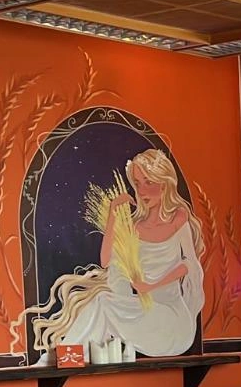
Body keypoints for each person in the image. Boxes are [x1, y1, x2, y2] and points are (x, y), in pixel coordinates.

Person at [17, 149, 205, 358]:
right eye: (137, 183)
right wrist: (113, 216)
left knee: (103, 302)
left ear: (164, 183)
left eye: (149, 182)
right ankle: (70, 358)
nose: (142, 191)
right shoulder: (135, 226)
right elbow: (106, 261)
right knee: (102, 301)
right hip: (147, 315)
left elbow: (188, 264)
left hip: (173, 323)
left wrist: (150, 286)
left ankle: (69, 357)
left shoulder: (178, 217)